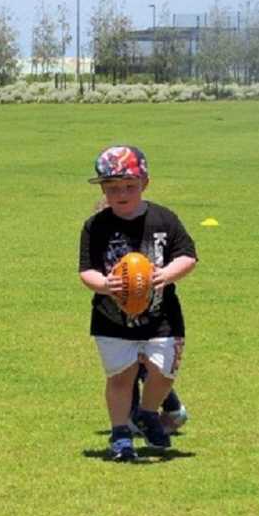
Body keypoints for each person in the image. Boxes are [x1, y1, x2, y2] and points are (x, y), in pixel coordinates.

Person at [78, 145, 197, 462]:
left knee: (164, 372)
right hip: (111, 319)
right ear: (103, 189)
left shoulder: (164, 218)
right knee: (120, 378)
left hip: (162, 316)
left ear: (145, 182)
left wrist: (166, 274)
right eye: (113, 188)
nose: (121, 194)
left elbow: (188, 256)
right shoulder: (96, 226)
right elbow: (86, 271)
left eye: (129, 186)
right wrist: (104, 284)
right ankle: (120, 435)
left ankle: (146, 412)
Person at [93, 197, 190, 435]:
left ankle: (159, 412)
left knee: (147, 366)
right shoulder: (109, 248)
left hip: (153, 322)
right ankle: (143, 415)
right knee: (131, 369)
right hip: (119, 323)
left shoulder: (143, 252)